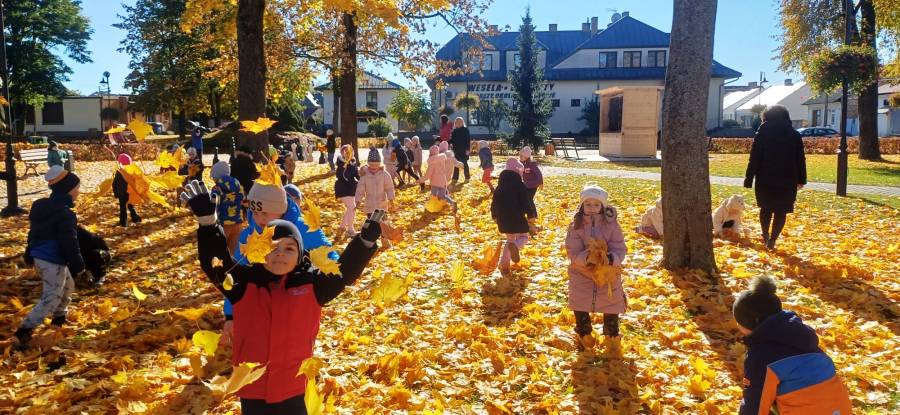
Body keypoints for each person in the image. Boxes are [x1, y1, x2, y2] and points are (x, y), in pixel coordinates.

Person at [182, 181, 380, 415]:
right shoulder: (245, 284)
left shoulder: (311, 285)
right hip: (253, 386)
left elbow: (343, 273)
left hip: (293, 386)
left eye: (289, 249)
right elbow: (216, 265)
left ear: (300, 254)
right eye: (273, 247)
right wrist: (208, 224)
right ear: (261, 252)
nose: (280, 255)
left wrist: (364, 242)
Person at [734, 276, 852, 415]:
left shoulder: (761, 356)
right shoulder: (804, 340)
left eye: (738, 322)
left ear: (751, 323)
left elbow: (754, 406)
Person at [15, 166, 85, 350]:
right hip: (52, 259)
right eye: (77, 188)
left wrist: (29, 252)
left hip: (43, 257)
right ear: (68, 190)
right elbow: (69, 241)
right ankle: (24, 330)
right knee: (52, 296)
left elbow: (33, 234)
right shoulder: (65, 214)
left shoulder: (42, 206)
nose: (78, 192)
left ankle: (59, 318)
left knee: (68, 286)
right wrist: (78, 264)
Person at [564, 185, 627, 354]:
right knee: (580, 301)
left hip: (607, 273)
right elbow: (572, 250)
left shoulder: (611, 225)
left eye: (596, 204)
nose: (592, 208)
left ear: (602, 207)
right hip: (581, 272)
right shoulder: (576, 226)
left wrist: (612, 258)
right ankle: (584, 333)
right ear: (582, 206)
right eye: (588, 204)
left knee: (611, 303)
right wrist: (585, 258)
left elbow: (619, 246)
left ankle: (612, 334)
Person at [744, 105, 806, 250]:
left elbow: (754, 158)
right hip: (788, 178)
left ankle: (765, 234)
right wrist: (801, 179)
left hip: (765, 178)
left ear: (766, 116)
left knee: (766, 208)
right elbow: (800, 159)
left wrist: (749, 179)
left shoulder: (762, 133)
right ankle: (773, 239)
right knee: (781, 211)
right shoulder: (794, 134)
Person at [490, 158, 535, 275]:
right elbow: (526, 201)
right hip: (517, 217)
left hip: (503, 219)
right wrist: (530, 214)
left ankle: (504, 265)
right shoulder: (520, 185)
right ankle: (514, 246)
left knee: (509, 240)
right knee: (524, 237)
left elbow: (494, 202)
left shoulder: (500, 186)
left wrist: (494, 215)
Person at [211, 161, 245, 254]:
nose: (212, 179)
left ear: (217, 176)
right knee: (233, 251)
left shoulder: (216, 189)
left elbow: (213, 205)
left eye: (213, 177)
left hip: (224, 224)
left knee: (220, 251)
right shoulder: (238, 186)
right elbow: (243, 199)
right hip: (238, 222)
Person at [418, 144, 456, 211]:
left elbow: (427, 175)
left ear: (430, 153)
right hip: (443, 181)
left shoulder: (432, 163)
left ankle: (433, 207)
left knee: (434, 196)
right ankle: (452, 202)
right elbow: (448, 164)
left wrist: (420, 180)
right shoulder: (442, 159)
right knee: (443, 195)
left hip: (435, 183)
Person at [335, 145, 360, 238]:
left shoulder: (353, 161)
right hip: (343, 188)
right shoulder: (341, 163)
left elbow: (356, 174)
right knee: (352, 207)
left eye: (350, 151)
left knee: (350, 208)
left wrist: (362, 180)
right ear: (342, 153)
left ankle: (342, 227)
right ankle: (350, 229)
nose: (348, 153)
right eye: (345, 152)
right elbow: (342, 176)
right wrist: (354, 183)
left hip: (351, 188)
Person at [113, 154, 142, 227]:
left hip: (122, 194)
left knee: (123, 208)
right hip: (129, 193)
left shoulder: (119, 172)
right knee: (131, 206)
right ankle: (136, 218)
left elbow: (114, 184)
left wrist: (116, 193)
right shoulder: (131, 172)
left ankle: (124, 222)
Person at [519, 146, 543, 220]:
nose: (520, 157)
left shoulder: (532, 164)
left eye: (521, 156)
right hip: (526, 185)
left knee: (529, 199)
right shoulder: (522, 163)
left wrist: (541, 183)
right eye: (520, 156)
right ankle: (525, 213)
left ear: (526, 156)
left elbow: (539, 174)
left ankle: (534, 215)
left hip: (533, 185)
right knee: (525, 199)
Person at [450, 117, 471, 182]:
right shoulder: (454, 131)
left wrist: (468, 149)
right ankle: (455, 178)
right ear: (455, 123)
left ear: (462, 123)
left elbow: (468, 140)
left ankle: (467, 178)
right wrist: (448, 142)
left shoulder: (465, 130)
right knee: (456, 164)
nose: (458, 123)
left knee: (465, 164)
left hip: (464, 150)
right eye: (457, 122)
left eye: (460, 122)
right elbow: (452, 140)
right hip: (456, 150)